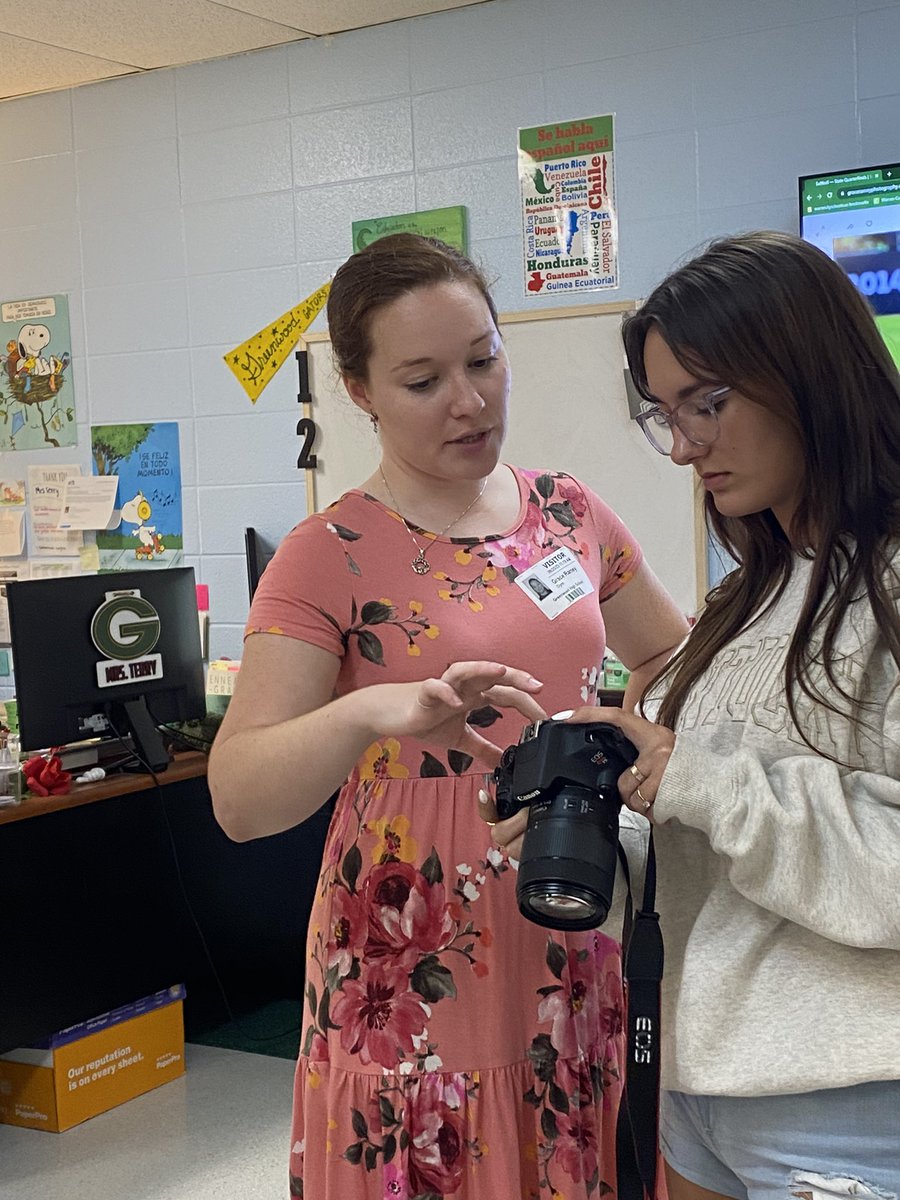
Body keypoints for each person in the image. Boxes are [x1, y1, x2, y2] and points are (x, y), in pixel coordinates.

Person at [208, 232, 689, 1199]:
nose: (470, 402)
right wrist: (370, 714)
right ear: (359, 389)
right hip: (409, 940)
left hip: (572, 899)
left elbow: (672, 655)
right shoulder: (328, 550)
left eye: (484, 359)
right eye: (423, 380)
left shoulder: (568, 511)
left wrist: (634, 740)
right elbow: (240, 796)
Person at [488, 230, 900, 1200]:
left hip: (843, 1101)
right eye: (666, 415)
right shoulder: (737, 606)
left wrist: (702, 778)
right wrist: (583, 832)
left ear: (810, 373)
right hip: (697, 1086)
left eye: (709, 404)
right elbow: (707, 868)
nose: (683, 447)